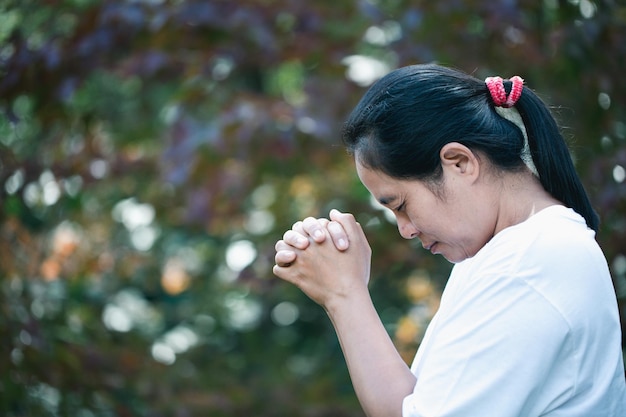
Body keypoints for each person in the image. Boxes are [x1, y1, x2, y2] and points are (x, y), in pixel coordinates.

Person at [273, 64, 626, 417]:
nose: (406, 230)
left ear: (459, 163)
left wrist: (345, 295)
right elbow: (420, 406)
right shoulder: (513, 254)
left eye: (401, 205)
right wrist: (344, 292)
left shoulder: (525, 268)